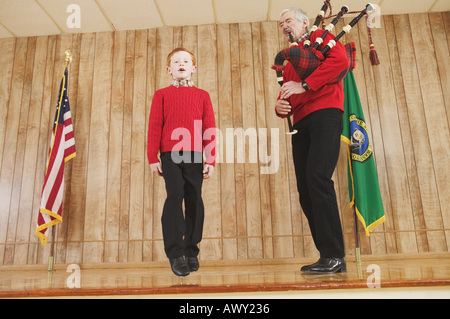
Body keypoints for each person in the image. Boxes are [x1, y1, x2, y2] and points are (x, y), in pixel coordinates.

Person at [276, 8, 349, 274]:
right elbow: (287, 92)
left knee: (318, 178)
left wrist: (305, 86)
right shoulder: (289, 59)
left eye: (289, 21)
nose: (284, 26)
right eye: (281, 23)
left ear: (304, 22)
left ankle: (335, 255)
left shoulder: (320, 36)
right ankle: (327, 256)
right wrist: (280, 106)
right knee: (306, 190)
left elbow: (341, 62)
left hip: (326, 114)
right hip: (301, 123)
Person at [147, 48, 216, 277]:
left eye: (186, 61)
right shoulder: (161, 95)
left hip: (195, 154)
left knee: (194, 198)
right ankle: (175, 252)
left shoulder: (202, 95)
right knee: (175, 195)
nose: (181, 64)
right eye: (176, 62)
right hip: (170, 154)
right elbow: (155, 125)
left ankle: (191, 250)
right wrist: (152, 156)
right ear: (169, 70)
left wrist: (211, 158)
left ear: (193, 68)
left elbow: (209, 128)